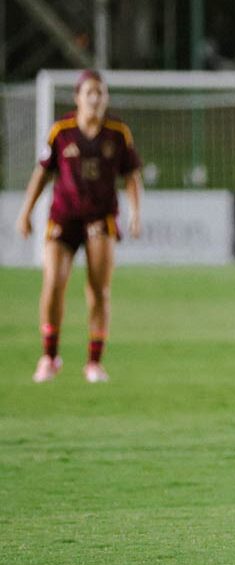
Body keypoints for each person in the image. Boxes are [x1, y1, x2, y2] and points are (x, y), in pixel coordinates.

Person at [16, 69, 143, 384]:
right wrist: (26, 212)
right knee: (53, 282)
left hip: (101, 217)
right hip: (64, 216)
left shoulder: (118, 133)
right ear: (77, 97)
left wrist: (135, 213)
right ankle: (49, 357)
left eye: (101, 92)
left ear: (106, 98)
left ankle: (94, 363)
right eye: (90, 92)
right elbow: (42, 173)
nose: (96, 98)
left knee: (99, 290)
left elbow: (131, 175)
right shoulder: (62, 131)